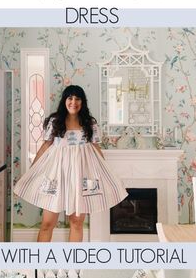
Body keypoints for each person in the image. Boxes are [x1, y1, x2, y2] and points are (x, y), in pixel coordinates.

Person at [14, 85, 127, 242]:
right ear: (64, 100)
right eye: (70, 98)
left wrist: (106, 174)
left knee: (76, 222)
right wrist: (31, 171)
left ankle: (72, 265)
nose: (74, 102)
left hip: (81, 175)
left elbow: (96, 149)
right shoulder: (55, 121)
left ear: (82, 102)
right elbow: (45, 146)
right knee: (47, 223)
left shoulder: (89, 123)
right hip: (57, 175)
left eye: (78, 98)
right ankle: (39, 265)